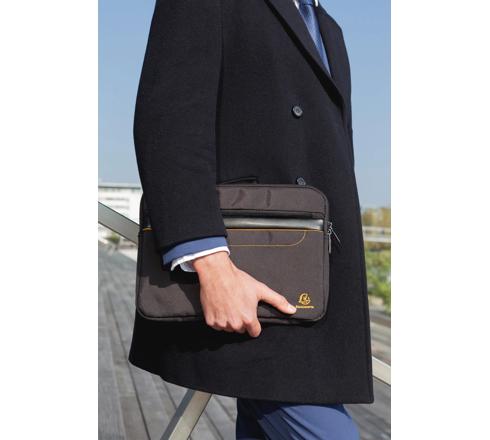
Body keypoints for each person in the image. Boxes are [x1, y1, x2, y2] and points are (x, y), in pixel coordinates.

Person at [129, 0, 373, 438]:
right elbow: (168, 124)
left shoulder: (328, 27)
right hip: (247, 273)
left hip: (312, 287)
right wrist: (211, 265)